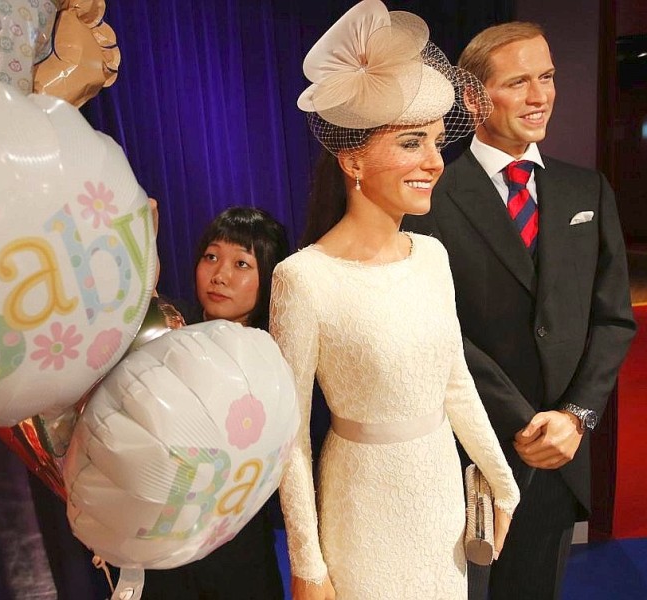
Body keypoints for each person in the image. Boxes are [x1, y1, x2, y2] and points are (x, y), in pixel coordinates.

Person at [269, 2, 520, 599]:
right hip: (361, 510)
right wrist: (308, 563)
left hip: (440, 503)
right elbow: (289, 437)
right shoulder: (302, 280)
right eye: (413, 143)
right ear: (353, 160)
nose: (434, 162)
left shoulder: (431, 256)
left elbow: (455, 381)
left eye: (435, 143)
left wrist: (501, 482)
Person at [403, 21, 636, 600]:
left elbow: (612, 319)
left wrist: (574, 417)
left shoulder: (590, 192)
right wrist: (521, 420)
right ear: (473, 97)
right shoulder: (428, 198)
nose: (541, 97)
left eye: (548, 77)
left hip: (560, 455)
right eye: (519, 82)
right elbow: (437, 329)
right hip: (466, 455)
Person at [142, 206, 289, 599]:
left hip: (237, 554)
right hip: (163, 549)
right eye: (211, 256)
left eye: (242, 263)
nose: (220, 275)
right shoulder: (169, 332)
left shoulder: (273, 359)